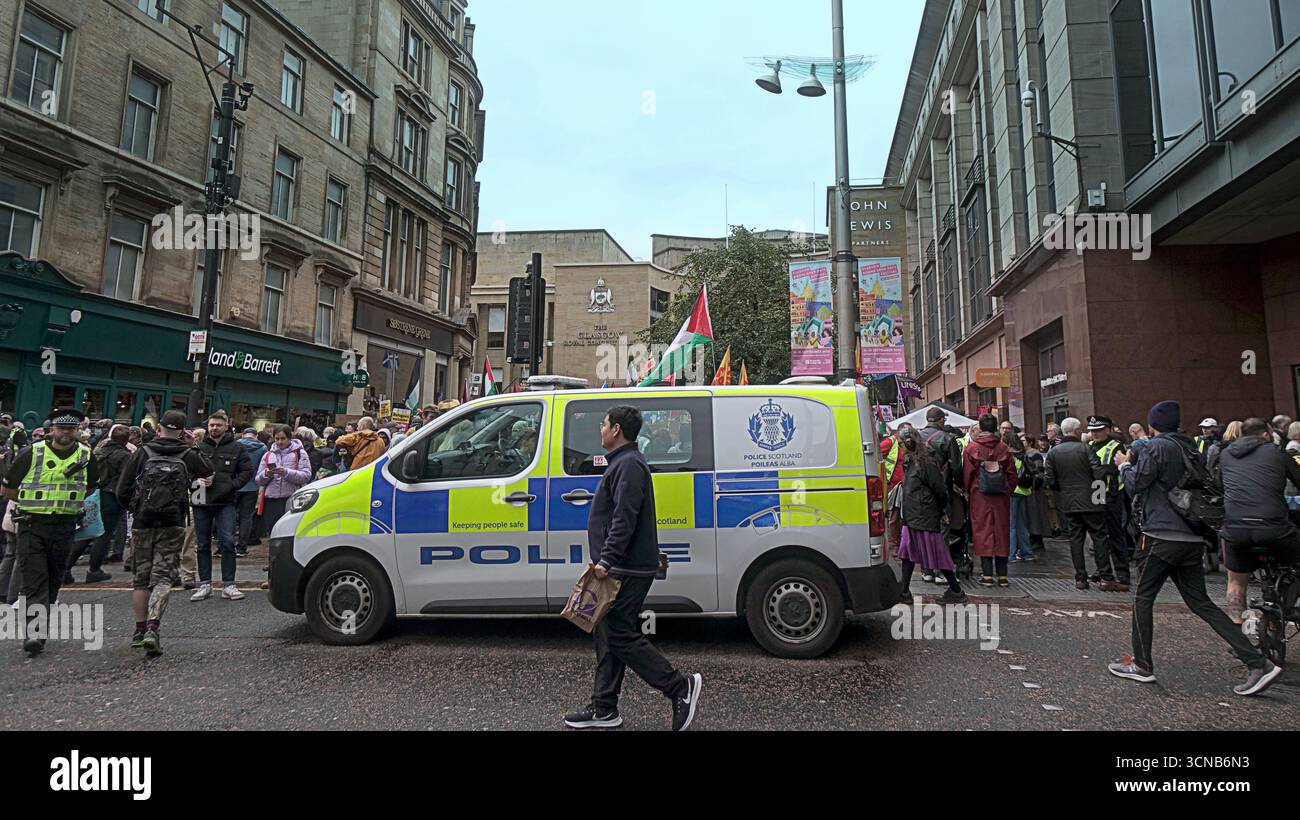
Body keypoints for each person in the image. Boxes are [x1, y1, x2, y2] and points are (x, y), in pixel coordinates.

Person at [1109, 402, 1281, 696]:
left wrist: (1124, 464)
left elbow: (1136, 484)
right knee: (1200, 602)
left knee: (1143, 597)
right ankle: (1258, 662)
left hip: (1160, 534)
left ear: (1152, 425)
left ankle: (1141, 664)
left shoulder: (1155, 447)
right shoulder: (1190, 447)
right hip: (1191, 534)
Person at [564, 406, 702, 731]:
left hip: (622, 568)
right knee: (607, 634)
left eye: (603, 424)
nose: (600, 429)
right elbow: (633, 518)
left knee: (619, 634)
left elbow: (624, 518)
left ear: (616, 430)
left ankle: (678, 686)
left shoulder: (628, 465)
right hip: (624, 564)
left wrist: (607, 560)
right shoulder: (625, 463)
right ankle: (604, 708)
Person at [0, 408, 97, 655]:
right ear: (52, 429)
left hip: (64, 527)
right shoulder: (32, 452)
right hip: (33, 525)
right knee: (34, 579)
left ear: (77, 431)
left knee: (54, 578)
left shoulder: (87, 455)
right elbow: (9, 489)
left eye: (71, 429)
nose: (66, 433)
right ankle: (35, 634)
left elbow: (90, 488)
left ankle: (41, 620)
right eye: (61, 428)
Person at [117, 410, 213, 655]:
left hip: (143, 521)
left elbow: (122, 489)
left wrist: (135, 508)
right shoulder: (188, 454)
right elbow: (207, 470)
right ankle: (153, 627)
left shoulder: (142, 452)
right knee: (162, 576)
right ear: (182, 432)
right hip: (172, 521)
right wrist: (194, 446)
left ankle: (139, 630)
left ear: (158, 429)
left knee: (140, 578)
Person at [1212, 417, 1300, 626]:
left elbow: (1219, 485)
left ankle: (1239, 632)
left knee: (1235, 581)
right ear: (1266, 434)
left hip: (1235, 528)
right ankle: (1286, 606)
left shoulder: (1226, 455)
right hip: (1273, 526)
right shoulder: (1278, 452)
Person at [1045, 418, 1119, 590]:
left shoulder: (1054, 452)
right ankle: (1106, 577)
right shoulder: (1086, 448)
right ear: (1077, 431)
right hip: (1092, 500)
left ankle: (1080, 578)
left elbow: (1049, 479)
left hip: (1069, 501)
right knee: (1099, 537)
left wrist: (1063, 490)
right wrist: (1100, 498)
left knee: (1076, 539)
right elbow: (1098, 474)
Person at [896, 429, 966, 604]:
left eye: (901, 443)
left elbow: (940, 489)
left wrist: (943, 511)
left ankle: (956, 591)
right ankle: (904, 592)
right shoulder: (913, 462)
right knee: (907, 554)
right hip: (914, 516)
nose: (900, 447)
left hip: (924, 516)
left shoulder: (926, 464)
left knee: (937, 553)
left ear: (909, 443)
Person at [190, 411, 254, 603]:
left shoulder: (237, 448)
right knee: (202, 543)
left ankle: (229, 584)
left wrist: (231, 485)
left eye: (218, 425)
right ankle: (205, 584)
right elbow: (185, 471)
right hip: (200, 498)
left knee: (227, 542)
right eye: (211, 425)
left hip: (225, 500)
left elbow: (247, 471)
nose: (214, 428)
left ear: (226, 426)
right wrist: (195, 481)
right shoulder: (198, 448)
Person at [64, 424, 132, 581]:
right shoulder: (124, 455)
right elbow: (126, 479)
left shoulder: (98, 450)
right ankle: (94, 570)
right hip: (111, 496)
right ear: (126, 440)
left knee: (87, 531)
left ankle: (65, 569)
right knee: (104, 533)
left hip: (94, 493)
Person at [963, 413, 1016, 587]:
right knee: (1001, 531)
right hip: (1001, 496)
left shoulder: (971, 448)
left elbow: (967, 475)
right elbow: (1012, 475)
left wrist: (968, 490)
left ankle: (987, 575)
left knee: (982, 531)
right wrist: (1008, 489)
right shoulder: (1004, 448)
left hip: (980, 495)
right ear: (995, 427)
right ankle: (1002, 576)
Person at [919, 407, 964, 583]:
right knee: (941, 529)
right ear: (940, 420)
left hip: (920, 491)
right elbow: (956, 468)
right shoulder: (947, 439)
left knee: (924, 529)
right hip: (941, 490)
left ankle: (926, 569)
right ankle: (940, 571)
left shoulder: (915, 438)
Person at [1087, 415, 1131, 586]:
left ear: (1108, 430)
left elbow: (1115, 468)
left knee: (1115, 535)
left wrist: (1097, 469)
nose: (1095, 434)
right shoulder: (1088, 446)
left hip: (1112, 495)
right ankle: (1103, 570)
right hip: (1096, 494)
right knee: (1099, 536)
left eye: (1098, 430)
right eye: (1092, 431)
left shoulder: (1116, 445)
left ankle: (1122, 573)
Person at [235, 427, 266, 556]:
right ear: (256, 435)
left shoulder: (235, 445)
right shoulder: (263, 448)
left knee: (229, 515)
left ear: (243, 435)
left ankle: (224, 546)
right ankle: (242, 547)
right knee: (246, 517)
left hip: (235, 485)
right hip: (253, 486)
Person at [1007, 432, 1036, 562]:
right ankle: (1027, 552)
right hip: (1023, 491)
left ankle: (1011, 554)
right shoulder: (1023, 455)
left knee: (1011, 524)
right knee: (1021, 524)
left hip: (1012, 491)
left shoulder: (1009, 456)